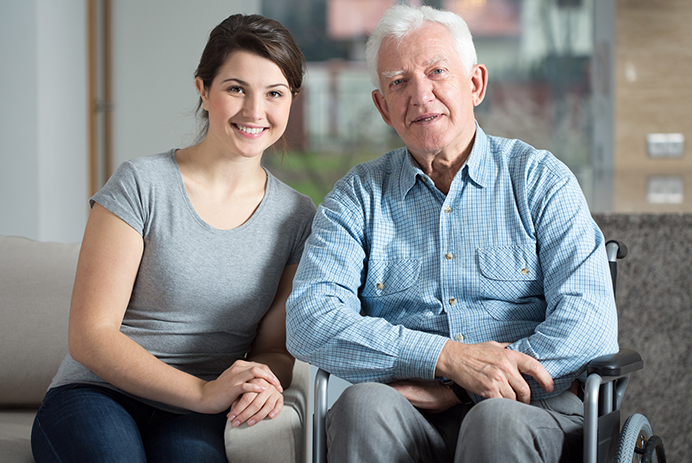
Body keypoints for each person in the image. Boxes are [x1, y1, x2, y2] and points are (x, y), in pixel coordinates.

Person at [286, 5, 618, 463]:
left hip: (534, 412)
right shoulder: (357, 198)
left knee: (494, 417)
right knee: (360, 405)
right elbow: (308, 319)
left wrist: (465, 388)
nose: (421, 96)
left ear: (476, 84)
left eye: (437, 71)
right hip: (409, 414)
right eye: (398, 82)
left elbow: (591, 325)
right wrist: (444, 358)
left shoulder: (540, 180)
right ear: (382, 106)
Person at [31, 13, 315, 463]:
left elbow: (273, 350)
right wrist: (203, 391)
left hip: (199, 414)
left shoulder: (297, 216)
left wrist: (262, 379)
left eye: (274, 94)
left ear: (291, 102)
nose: (254, 111)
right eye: (236, 88)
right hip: (96, 395)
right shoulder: (141, 183)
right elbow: (90, 335)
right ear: (203, 89)